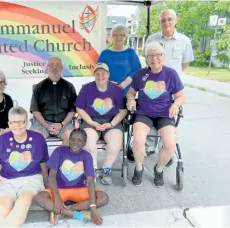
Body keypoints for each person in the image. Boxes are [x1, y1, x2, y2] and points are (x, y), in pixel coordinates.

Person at [126, 42, 185, 187]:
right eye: (150, 55)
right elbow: (131, 93)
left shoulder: (170, 74)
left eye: (158, 54)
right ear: (146, 59)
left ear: (163, 56)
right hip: (144, 113)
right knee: (139, 141)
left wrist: (175, 104)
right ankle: (139, 168)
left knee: (170, 144)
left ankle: (158, 169)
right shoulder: (141, 74)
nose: (154, 58)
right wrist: (131, 100)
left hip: (164, 114)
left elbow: (180, 96)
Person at [142, 9, 194, 157]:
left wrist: (171, 77)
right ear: (160, 22)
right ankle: (150, 147)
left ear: (176, 20)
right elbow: (146, 60)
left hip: (172, 88)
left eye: (169, 19)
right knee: (151, 113)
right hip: (152, 85)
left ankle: (165, 149)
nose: (167, 23)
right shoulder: (151, 39)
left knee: (167, 117)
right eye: (163, 20)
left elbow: (185, 63)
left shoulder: (185, 41)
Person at [35, 129, 108, 225]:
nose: (75, 143)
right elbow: (52, 176)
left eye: (79, 140)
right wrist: (57, 199)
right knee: (39, 197)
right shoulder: (59, 151)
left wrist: (93, 208)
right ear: (69, 140)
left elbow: (90, 181)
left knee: (103, 197)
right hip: (59, 189)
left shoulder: (86, 156)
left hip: (79, 189)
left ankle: (62, 210)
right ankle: (76, 214)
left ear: (84, 143)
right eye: (73, 139)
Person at [0, 106, 49, 227]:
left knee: (22, 204)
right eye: (13, 122)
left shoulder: (38, 139)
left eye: (21, 121)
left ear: (27, 122)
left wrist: (47, 184)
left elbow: (43, 164)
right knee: (2, 210)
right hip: (7, 181)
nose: (17, 125)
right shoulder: (2, 139)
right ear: (8, 123)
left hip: (31, 180)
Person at [75, 63, 127, 185]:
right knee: (87, 141)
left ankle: (107, 169)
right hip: (91, 120)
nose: (100, 76)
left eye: (103, 73)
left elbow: (123, 111)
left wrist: (111, 124)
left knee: (115, 142)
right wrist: (90, 122)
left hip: (111, 121)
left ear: (108, 75)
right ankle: (93, 169)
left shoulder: (117, 90)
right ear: (94, 75)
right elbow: (79, 108)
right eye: (97, 74)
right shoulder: (86, 88)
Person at [30, 57, 77, 145]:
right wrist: (46, 126)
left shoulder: (69, 87)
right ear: (47, 68)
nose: (54, 68)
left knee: (72, 138)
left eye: (57, 65)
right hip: (43, 123)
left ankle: (61, 157)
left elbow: (72, 110)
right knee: (35, 139)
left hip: (64, 123)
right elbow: (35, 111)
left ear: (62, 68)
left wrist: (62, 124)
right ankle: (41, 159)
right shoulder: (38, 87)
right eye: (51, 65)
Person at [98, 24, 141, 95]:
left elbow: (137, 71)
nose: (118, 37)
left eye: (122, 35)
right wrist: (107, 82)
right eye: (115, 35)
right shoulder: (104, 54)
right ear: (111, 37)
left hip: (128, 93)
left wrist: (124, 84)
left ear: (125, 37)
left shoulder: (131, 53)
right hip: (108, 91)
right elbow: (98, 71)